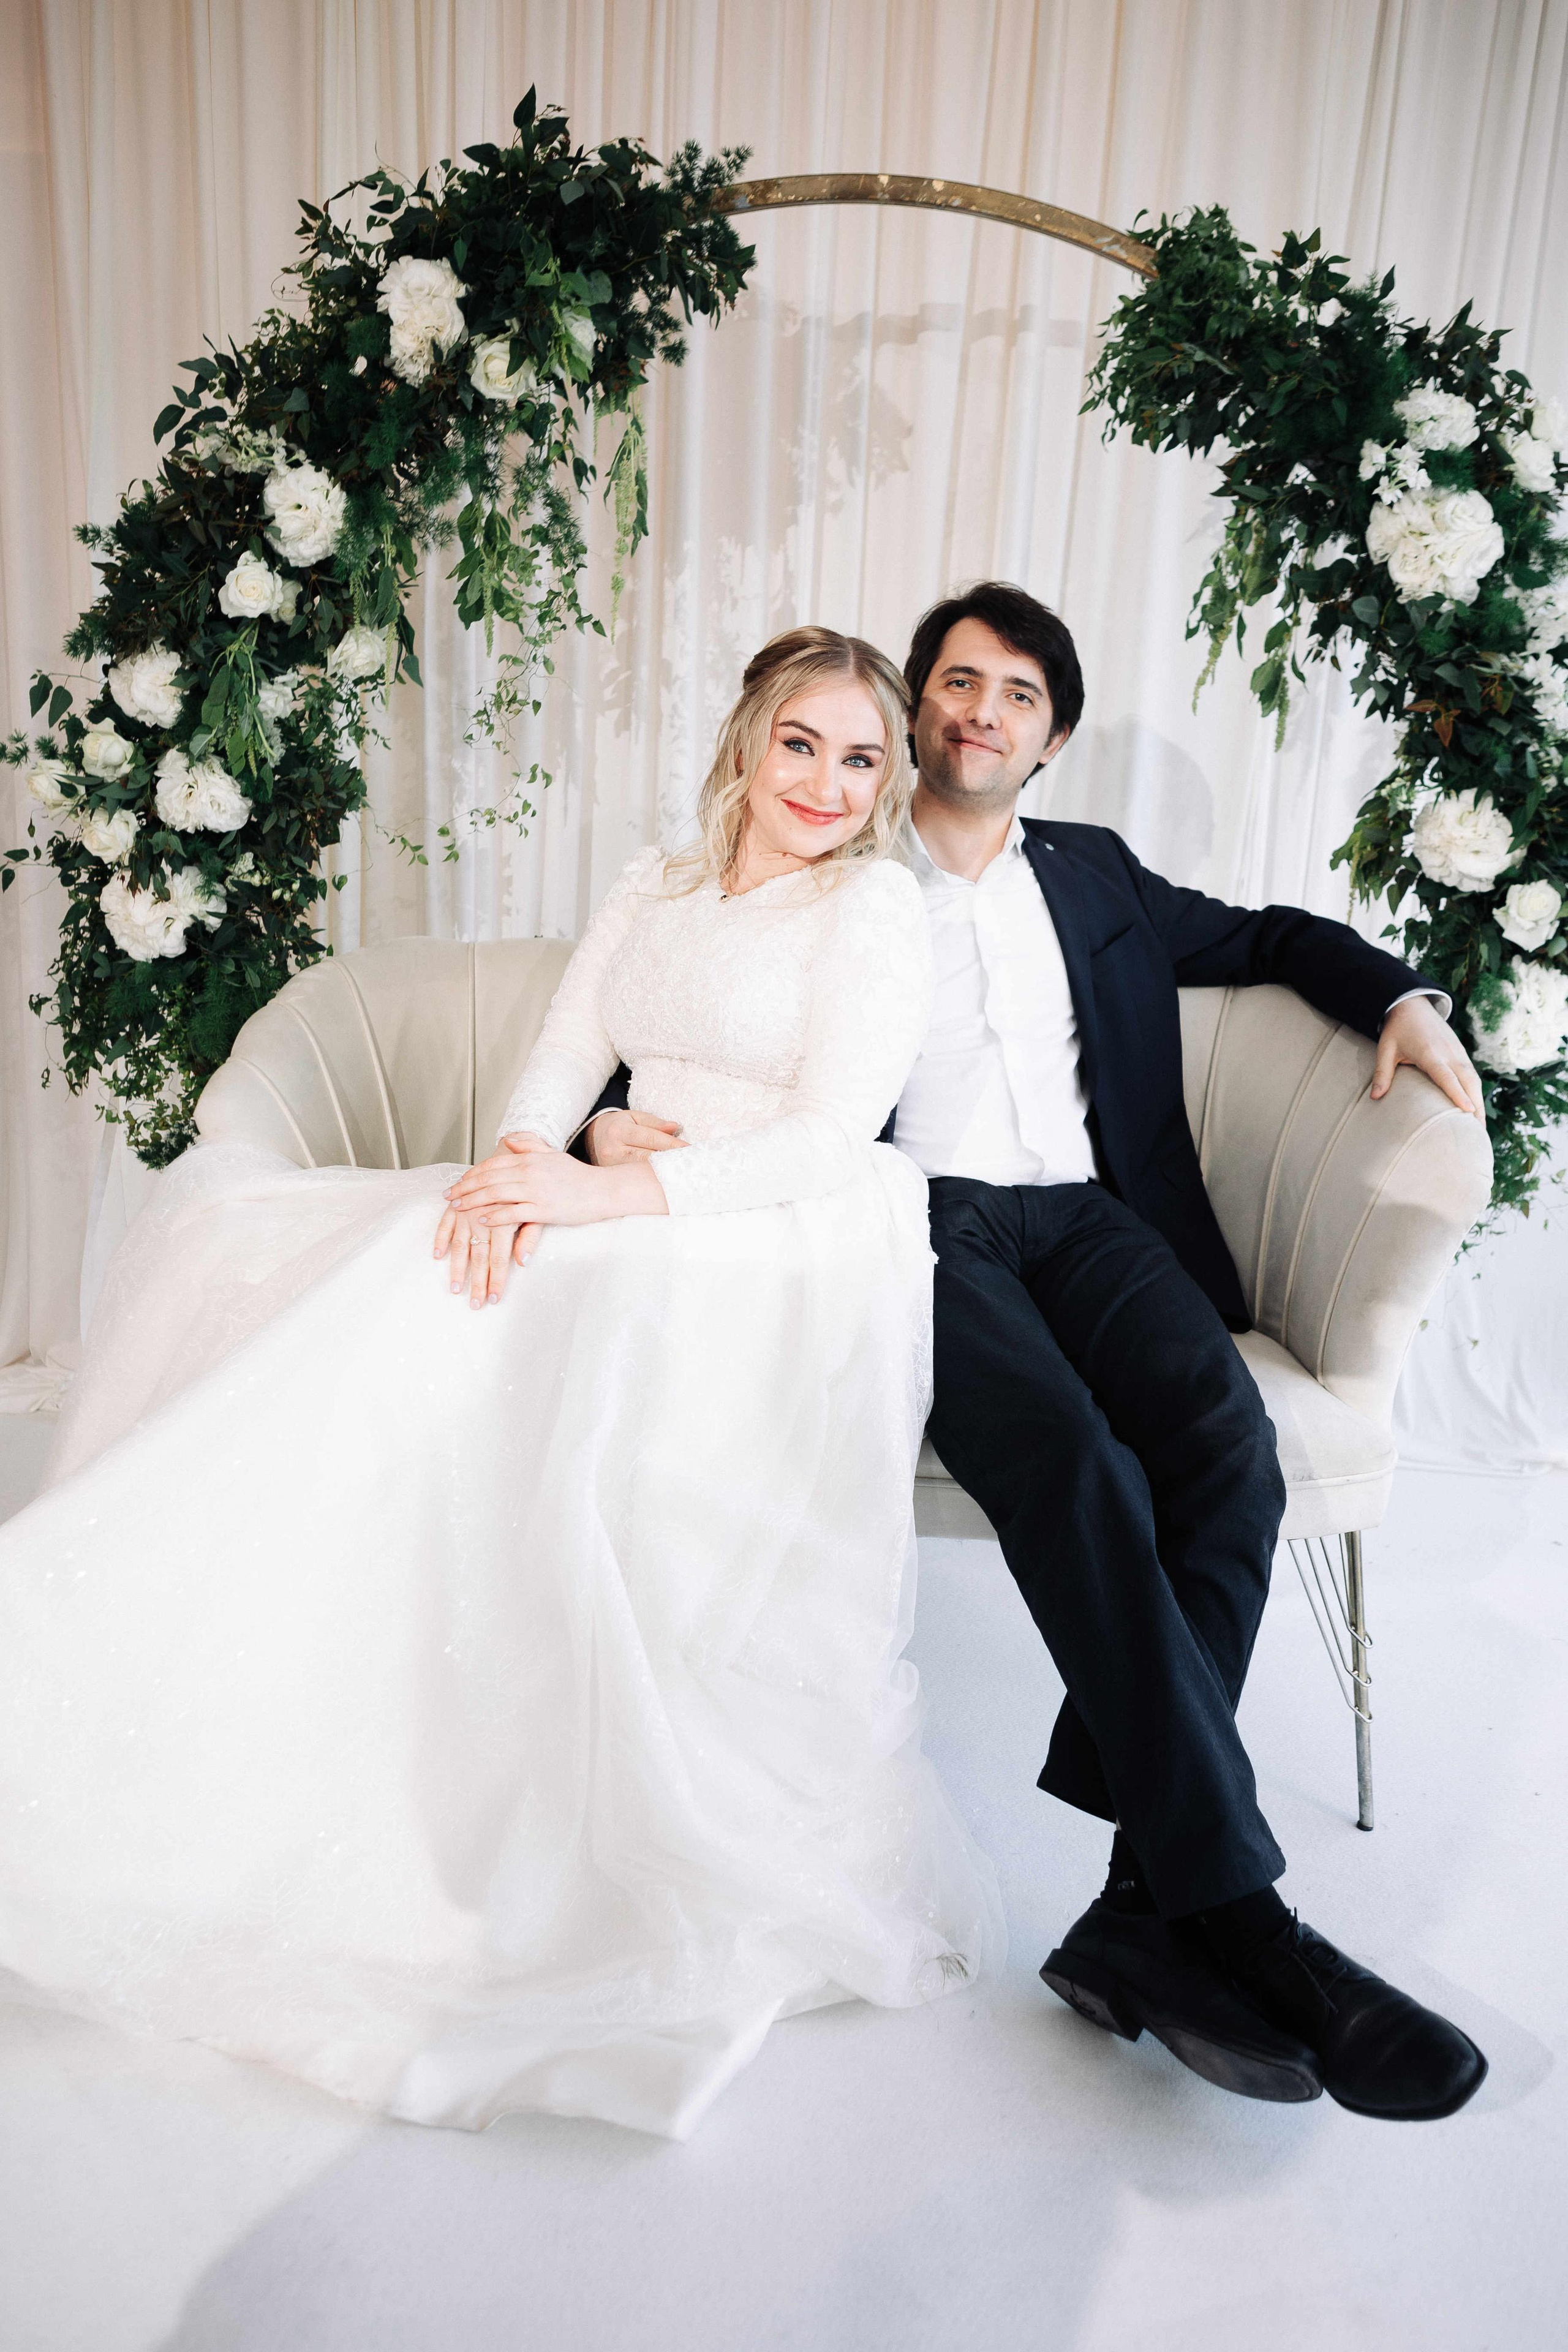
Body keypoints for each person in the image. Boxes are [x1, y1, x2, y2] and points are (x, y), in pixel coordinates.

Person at [0, 627, 1003, 2143]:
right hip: (620, 1191)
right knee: (358, 1266)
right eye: (801, 742)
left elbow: (828, 1136)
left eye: (859, 757)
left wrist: (605, 1193)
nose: (825, 780)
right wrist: (514, 1168)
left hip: (762, 1239)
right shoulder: (657, 882)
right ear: (748, 737)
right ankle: (272, 1677)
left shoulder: (869, 905)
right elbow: (560, 1053)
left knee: (493, 1315)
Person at [581, 583, 1490, 2123]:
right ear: (913, 709)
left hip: (1089, 1219)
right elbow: (681, 995)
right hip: (914, 1220)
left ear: (1047, 737)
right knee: (1067, 1462)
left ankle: (1141, 1910)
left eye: (1014, 694)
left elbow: (1265, 934)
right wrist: (605, 1117)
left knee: (1219, 1448)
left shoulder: (1093, 876)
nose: (977, 712)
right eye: (953, 683)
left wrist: (1402, 998)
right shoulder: (831, 863)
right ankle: (1236, 1921)